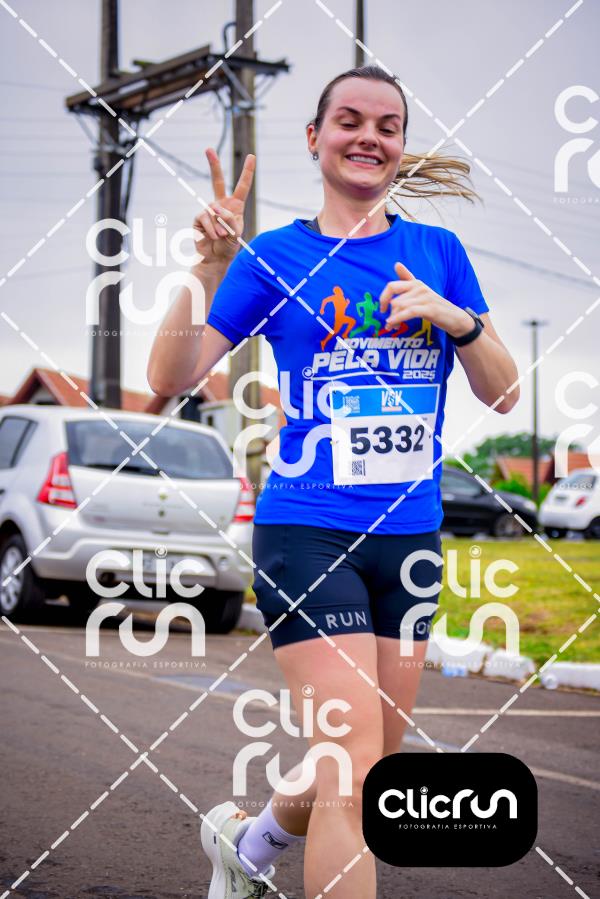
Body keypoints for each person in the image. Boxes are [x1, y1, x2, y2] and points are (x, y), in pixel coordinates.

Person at [147, 65, 519, 899]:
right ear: (315, 138)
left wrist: (455, 318)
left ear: (400, 146)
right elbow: (169, 375)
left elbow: (504, 392)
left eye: (388, 126)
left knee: (368, 764)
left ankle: (249, 845)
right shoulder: (273, 257)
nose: (368, 137)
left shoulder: (440, 255)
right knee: (350, 768)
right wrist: (206, 268)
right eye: (349, 120)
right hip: (307, 530)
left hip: (409, 540)